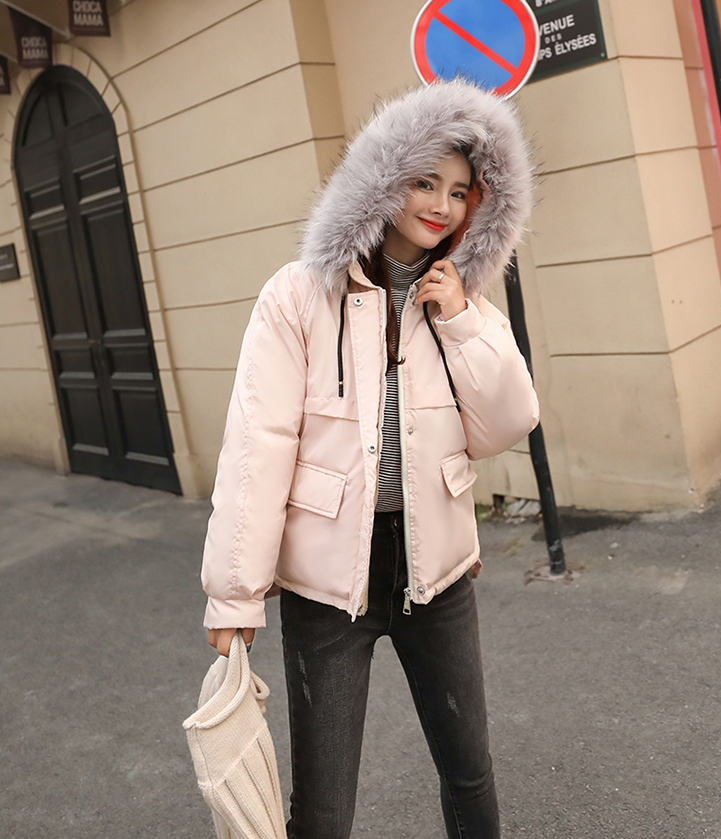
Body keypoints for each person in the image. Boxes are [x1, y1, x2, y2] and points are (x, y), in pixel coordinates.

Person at [200, 79, 539, 839]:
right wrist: (235, 593)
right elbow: (258, 445)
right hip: (326, 582)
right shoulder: (297, 295)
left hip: (434, 571)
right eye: (425, 181)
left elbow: (506, 422)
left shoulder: (462, 301)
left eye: (460, 191)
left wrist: (460, 321)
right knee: (322, 809)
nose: (441, 205)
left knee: (469, 770)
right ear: (384, 179)